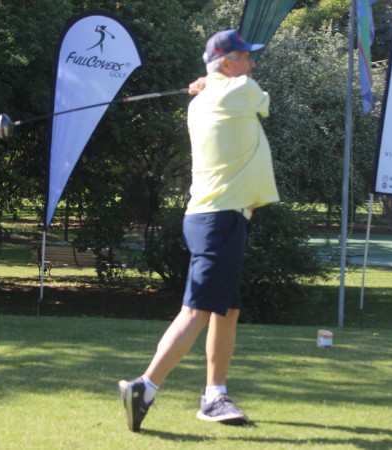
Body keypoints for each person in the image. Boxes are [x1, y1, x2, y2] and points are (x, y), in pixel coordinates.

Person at [118, 29, 280, 433]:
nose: (253, 63)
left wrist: (209, 82)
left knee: (227, 310)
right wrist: (215, 81)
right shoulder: (241, 90)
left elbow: (221, 90)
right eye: (246, 57)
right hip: (220, 219)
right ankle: (145, 386)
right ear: (227, 62)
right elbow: (264, 102)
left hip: (213, 218)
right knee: (197, 310)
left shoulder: (199, 102)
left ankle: (214, 396)